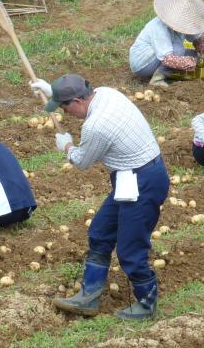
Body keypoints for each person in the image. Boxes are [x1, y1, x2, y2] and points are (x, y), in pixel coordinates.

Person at [30, 74, 169, 320]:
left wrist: (66, 146)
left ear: (76, 101)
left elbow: (82, 161)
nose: (64, 113)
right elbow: (75, 105)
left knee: (130, 249)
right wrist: (52, 92)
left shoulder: (96, 126)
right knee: (100, 232)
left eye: (64, 107)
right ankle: (89, 296)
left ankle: (147, 304)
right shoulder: (106, 92)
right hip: (131, 176)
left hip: (143, 181)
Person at [129, 0, 204, 87]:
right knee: (178, 50)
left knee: (193, 54)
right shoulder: (159, 28)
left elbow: (197, 39)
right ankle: (157, 80)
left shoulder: (185, 25)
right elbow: (167, 58)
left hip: (158, 57)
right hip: (142, 64)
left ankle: (168, 73)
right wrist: (192, 62)